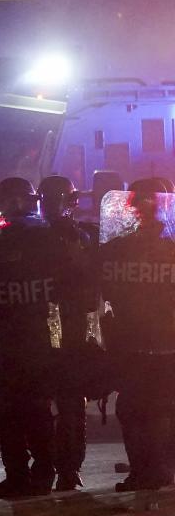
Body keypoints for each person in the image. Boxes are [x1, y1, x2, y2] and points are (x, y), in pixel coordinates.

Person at [0, 177, 75, 498]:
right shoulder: (50, 240)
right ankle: (42, 471)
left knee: (10, 410)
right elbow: (73, 288)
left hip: (7, 341)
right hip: (41, 339)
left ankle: (19, 475)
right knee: (38, 408)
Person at [101, 184, 175, 491]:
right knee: (148, 409)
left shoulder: (119, 248)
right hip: (151, 345)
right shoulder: (127, 247)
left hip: (142, 345)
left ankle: (151, 470)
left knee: (139, 410)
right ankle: (152, 470)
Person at [38, 175, 96, 491]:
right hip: (50, 330)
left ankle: (64, 467)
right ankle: (62, 467)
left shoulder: (78, 237)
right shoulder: (78, 236)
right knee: (63, 402)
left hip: (61, 330)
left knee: (65, 402)